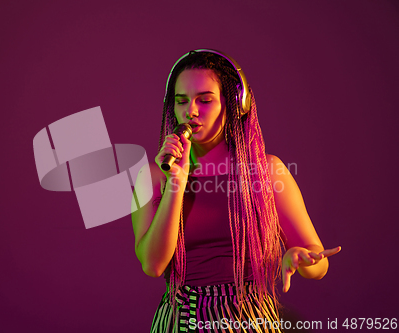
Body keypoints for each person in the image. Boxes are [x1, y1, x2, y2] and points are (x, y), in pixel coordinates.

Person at [131, 49, 341, 333]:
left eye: (205, 100)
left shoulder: (267, 171)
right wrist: (177, 181)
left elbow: (318, 264)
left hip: (249, 317)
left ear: (234, 104)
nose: (190, 111)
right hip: (181, 319)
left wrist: (303, 259)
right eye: (181, 101)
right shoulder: (154, 176)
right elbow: (153, 265)